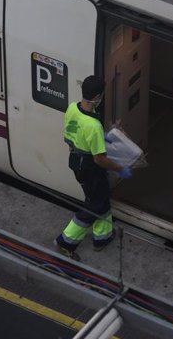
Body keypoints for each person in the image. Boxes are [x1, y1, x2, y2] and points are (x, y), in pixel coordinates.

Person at [54, 75, 132, 259]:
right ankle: (65, 242)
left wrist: (98, 138)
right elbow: (100, 159)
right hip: (90, 167)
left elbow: (73, 131)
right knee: (93, 206)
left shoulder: (72, 107)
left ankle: (102, 237)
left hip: (76, 160)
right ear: (98, 96)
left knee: (101, 197)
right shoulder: (94, 125)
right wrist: (120, 169)